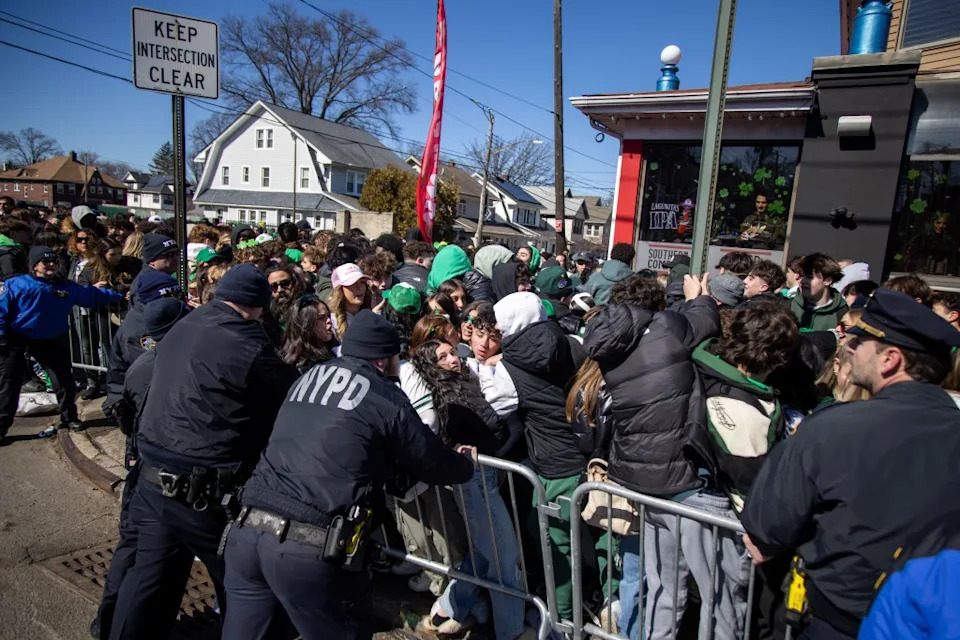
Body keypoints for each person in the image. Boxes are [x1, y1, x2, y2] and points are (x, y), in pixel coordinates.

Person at [220, 310, 477, 640]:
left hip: (247, 530)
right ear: (384, 359)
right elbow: (429, 459)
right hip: (306, 545)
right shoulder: (382, 394)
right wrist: (465, 466)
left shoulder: (309, 376)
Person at [741, 288, 960, 639]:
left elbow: (767, 525)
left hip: (840, 620)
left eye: (859, 342)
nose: (849, 348)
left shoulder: (832, 429)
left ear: (890, 359)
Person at [108, 264, 299, 639]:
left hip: (151, 480)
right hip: (203, 492)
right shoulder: (248, 343)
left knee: (148, 580)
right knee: (246, 584)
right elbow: (289, 395)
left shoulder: (185, 325)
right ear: (258, 306)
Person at [583, 274, 722, 640]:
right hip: (680, 478)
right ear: (655, 306)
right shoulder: (667, 326)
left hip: (635, 476)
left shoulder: (605, 339)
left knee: (648, 577)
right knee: (713, 592)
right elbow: (706, 321)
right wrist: (700, 297)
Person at [411, 339, 527, 639]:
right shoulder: (444, 397)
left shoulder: (465, 382)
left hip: (484, 475)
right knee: (505, 562)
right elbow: (482, 427)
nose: (453, 360)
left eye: (452, 353)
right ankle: (511, 633)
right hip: (474, 481)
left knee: (484, 555)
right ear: (430, 367)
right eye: (443, 357)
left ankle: (447, 608)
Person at [91, 297, 190, 640]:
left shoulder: (143, 364)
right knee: (155, 567)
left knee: (129, 552)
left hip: (141, 469)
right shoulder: (173, 366)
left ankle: (107, 622)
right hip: (161, 478)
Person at [0, 247, 123, 442]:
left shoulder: (65, 286)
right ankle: (1, 428)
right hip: (18, 338)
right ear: (34, 265)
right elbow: (1, 310)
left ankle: (69, 418)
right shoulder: (16, 285)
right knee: (9, 384)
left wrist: (118, 293)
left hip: (50, 339)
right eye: (45, 261)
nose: (51, 265)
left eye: (54, 261)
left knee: (64, 381)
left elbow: (90, 295)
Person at [102, 272, 181, 421]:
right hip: (135, 404)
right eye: (167, 296)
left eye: (177, 294)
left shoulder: (161, 316)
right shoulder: (139, 329)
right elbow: (147, 374)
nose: (175, 300)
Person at [791, 253, 849, 331]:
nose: (802, 281)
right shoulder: (788, 305)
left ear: (827, 280)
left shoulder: (842, 313)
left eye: (810, 277)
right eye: (802, 275)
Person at [280, 295, 337, 373]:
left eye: (328, 315)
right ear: (306, 325)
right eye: (321, 317)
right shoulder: (303, 367)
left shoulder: (335, 348)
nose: (329, 320)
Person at [128, 233, 179, 306]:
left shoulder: (161, 276)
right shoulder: (151, 282)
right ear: (151, 260)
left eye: (177, 253)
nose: (175, 258)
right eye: (169, 255)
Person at [329, 263, 373, 340]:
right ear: (339, 290)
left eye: (362, 282)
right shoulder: (332, 321)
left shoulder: (372, 311)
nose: (359, 288)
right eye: (352, 284)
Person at [0, 216, 31, 281]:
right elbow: (10, 276)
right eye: (25, 232)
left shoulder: (16, 248)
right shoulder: (7, 252)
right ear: (14, 232)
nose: (28, 235)